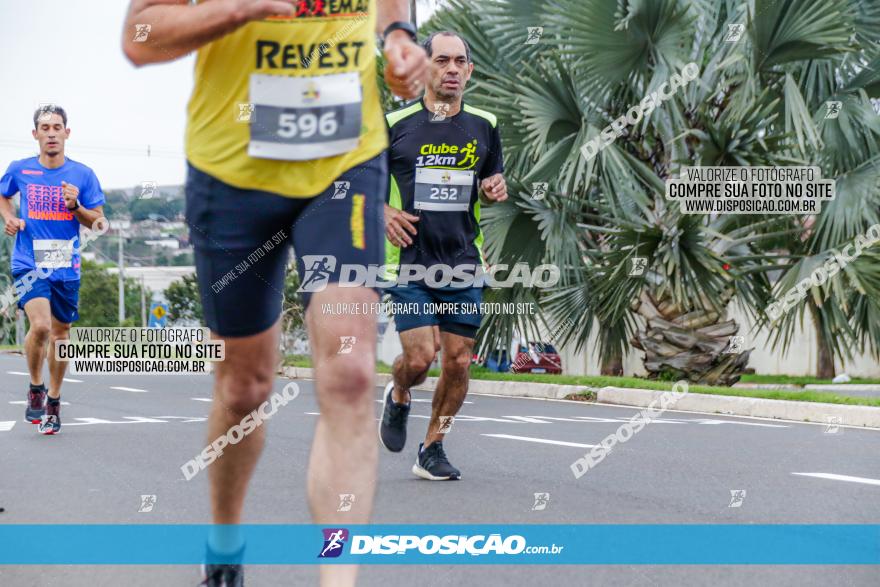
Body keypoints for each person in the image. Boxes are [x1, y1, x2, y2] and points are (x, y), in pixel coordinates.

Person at [122, 1, 427, 585]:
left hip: (344, 161)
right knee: (244, 388)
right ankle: (225, 543)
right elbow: (140, 37)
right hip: (233, 174)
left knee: (351, 369)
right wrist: (240, 9)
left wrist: (397, 36)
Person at [380, 31, 507, 480]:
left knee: (456, 359)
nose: (452, 69)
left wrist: (494, 190)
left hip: (462, 260)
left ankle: (432, 447)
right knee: (419, 359)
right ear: (425, 70)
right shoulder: (395, 124)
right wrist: (384, 211)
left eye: (460, 62)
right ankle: (398, 394)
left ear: (469, 70)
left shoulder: (485, 125)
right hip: (410, 261)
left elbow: (491, 184)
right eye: (442, 61)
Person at [0, 105, 106, 436]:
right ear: (35, 134)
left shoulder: (83, 175)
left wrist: (76, 206)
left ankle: (54, 401)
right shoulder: (20, 169)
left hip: (66, 265)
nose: (51, 133)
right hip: (29, 262)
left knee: (61, 335)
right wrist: (9, 218)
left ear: (66, 133)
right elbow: (3, 196)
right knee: (42, 327)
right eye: (44, 127)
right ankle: (35, 387)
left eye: (56, 127)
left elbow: (100, 222)